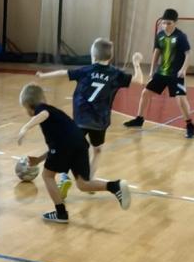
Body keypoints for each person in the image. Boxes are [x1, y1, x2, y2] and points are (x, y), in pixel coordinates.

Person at [17, 83, 131, 223]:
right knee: (83, 184)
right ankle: (115, 186)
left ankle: (61, 213)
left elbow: (44, 115)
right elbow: (59, 146)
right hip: (79, 144)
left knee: (47, 176)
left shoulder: (42, 109)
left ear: (29, 105)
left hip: (66, 146)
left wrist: (25, 127)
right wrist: (39, 159)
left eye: (25, 108)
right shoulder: (54, 116)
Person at [37, 41, 143, 182]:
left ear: (93, 56)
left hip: (81, 118)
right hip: (100, 122)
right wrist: (136, 63)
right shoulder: (116, 74)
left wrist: (43, 76)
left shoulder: (86, 70)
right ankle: (89, 180)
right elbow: (139, 80)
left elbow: (63, 73)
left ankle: (64, 176)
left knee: (69, 146)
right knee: (97, 150)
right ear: (110, 57)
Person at [123, 9, 194, 137]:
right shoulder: (160, 35)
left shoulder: (181, 36)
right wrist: (152, 70)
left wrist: (183, 69)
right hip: (161, 73)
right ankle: (139, 119)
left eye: (169, 23)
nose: (165, 25)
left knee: (180, 100)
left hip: (176, 74)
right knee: (145, 93)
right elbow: (156, 52)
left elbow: (188, 54)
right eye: (163, 23)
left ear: (175, 23)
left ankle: (190, 125)